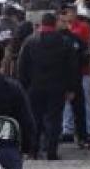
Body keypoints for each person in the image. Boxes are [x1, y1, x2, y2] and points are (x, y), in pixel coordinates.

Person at [18, 12, 79, 160]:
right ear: (55, 24)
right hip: (57, 88)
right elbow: (72, 67)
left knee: (35, 119)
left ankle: (34, 150)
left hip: (34, 87)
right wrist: (71, 88)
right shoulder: (64, 42)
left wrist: (24, 85)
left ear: (41, 24)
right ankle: (52, 151)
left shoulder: (30, 41)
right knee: (54, 119)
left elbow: (21, 66)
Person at [59, 6, 90, 147]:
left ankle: (89, 129)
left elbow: (87, 47)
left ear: (73, 12)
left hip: (82, 72)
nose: (63, 16)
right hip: (68, 74)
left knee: (85, 102)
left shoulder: (83, 27)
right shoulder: (63, 32)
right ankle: (68, 130)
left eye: (65, 12)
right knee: (68, 105)